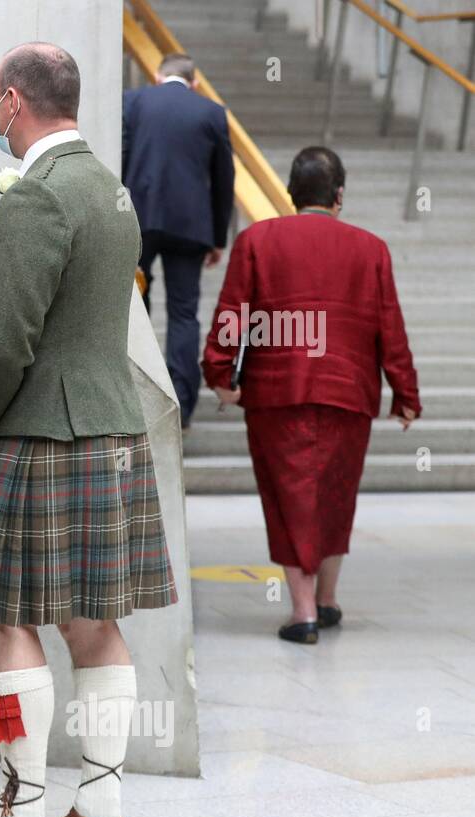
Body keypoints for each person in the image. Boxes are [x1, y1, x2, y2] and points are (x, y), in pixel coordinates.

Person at [0, 43, 178, 817]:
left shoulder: (36, 197)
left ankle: (22, 815)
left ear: (12, 101)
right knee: (95, 624)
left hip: (38, 436)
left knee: (3, 620)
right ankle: (100, 811)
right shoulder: (109, 187)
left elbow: (1, 346)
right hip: (112, 432)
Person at [202, 146, 421, 644]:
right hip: (349, 391)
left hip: (276, 395)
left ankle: (301, 613)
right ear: (339, 196)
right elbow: (391, 326)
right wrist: (405, 392)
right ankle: (325, 600)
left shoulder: (257, 240)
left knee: (289, 499)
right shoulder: (372, 249)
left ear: (290, 193)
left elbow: (233, 313)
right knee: (335, 494)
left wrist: (219, 373)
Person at [123, 52, 235, 427]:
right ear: (195, 81)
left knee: (134, 305)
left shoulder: (134, 102)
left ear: (157, 75)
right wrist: (218, 237)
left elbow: (120, 161)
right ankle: (182, 406)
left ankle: (137, 395)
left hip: (138, 220)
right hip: (191, 226)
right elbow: (224, 181)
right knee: (184, 312)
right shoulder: (211, 113)